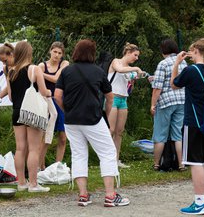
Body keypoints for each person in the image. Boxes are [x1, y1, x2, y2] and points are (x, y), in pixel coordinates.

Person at [54, 39, 130, 207]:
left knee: (79, 154)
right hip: (93, 118)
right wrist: (106, 114)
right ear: (92, 53)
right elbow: (110, 97)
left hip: (71, 120)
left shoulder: (66, 71)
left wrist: (67, 110)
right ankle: (110, 195)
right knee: (108, 152)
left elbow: (57, 96)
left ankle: (83, 195)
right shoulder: (98, 71)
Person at [171, 38, 204, 215]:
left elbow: (174, 84)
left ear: (195, 51)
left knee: (196, 163)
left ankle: (199, 202)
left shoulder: (190, 70)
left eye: (191, 52)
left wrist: (177, 63)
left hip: (194, 122)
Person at [7, 41, 52, 192]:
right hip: (32, 112)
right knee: (34, 148)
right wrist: (49, 93)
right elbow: (44, 91)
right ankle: (33, 184)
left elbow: (11, 97)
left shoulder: (11, 71)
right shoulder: (34, 69)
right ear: (28, 53)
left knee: (20, 148)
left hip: (17, 111)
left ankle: (21, 183)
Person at [150, 38, 187, 171]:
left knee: (160, 134)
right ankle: (181, 164)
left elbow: (157, 87)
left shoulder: (163, 64)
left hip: (165, 102)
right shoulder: (183, 63)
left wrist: (153, 104)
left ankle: (156, 164)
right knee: (177, 134)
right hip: (182, 101)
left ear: (163, 50)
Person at [108, 42, 144, 168]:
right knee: (110, 130)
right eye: (135, 55)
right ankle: (107, 158)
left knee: (119, 131)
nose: (136, 58)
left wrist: (133, 80)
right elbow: (120, 70)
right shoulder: (116, 62)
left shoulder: (130, 70)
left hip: (123, 100)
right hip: (112, 98)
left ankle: (116, 159)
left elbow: (129, 89)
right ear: (128, 53)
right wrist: (136, 69)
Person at [38, 42, 69, 170]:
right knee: (45, 136)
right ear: (50, 51)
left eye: (59, 53)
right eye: (55, 52)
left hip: (60, 101)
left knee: (62, 137)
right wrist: (38, 72)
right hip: (45, 102)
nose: (56, 55)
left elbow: (57, 79)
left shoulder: (64, 64)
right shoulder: (42, 65)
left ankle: (57, 166)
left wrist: (39, 74)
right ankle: (41, 166)